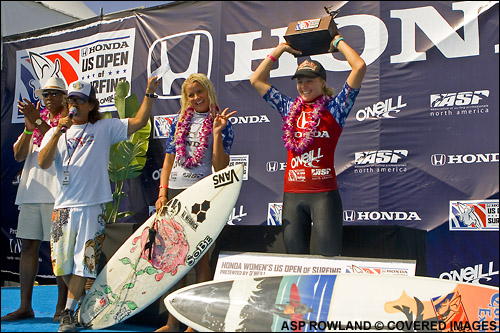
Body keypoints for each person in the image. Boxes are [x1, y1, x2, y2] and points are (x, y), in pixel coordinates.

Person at [38, 76, 160, 332]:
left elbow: (138, 122)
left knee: (85, 260)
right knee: (61, 265)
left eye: (80, 101)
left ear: (91, 105)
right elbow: (43, 162)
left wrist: (148, 93)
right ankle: (78, 300)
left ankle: (69, 312)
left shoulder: (103, 128)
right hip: (63, 207)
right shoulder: (56, 131)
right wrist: (57, 132)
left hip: (92, 207)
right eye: (71, 99)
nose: (74, 105)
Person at [250, 34, 366, 256]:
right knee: (295, 265)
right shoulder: (289, 108)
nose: (303, 86)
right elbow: (256, 80)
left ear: (323, 82)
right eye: (300, 81)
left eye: (309, 80)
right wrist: (280, 49)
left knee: (327, 262)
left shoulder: (336, 108)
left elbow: (359, 66)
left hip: (323, 196)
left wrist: (339, 41)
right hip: (292, 196)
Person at [154, 73, 236, 332]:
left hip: (200, 194)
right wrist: (162, 192)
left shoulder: (219, 121)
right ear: (185, 97)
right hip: (175, 194)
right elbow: (168, 161)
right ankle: (173, 322)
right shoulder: (178, 121)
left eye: (200, 92)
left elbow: (220, 166)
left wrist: (218, 134)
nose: (196, 97)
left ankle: (195, 322)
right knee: (175, 259)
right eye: (191, 94)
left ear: (208, 92)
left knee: (200, 258)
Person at [1, 77, 69, 323]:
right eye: (45, 95)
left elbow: (60, 142)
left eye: (53, 94)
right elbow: (19, 155)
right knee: (28, 247)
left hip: (57, 195)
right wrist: (29, 127)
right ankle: (25, 306)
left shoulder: (67, 121)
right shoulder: (35, 121)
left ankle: (62, 307)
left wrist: (37, 121)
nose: (48, 99)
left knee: (58, 251)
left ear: (65, 97)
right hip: (30, 194)